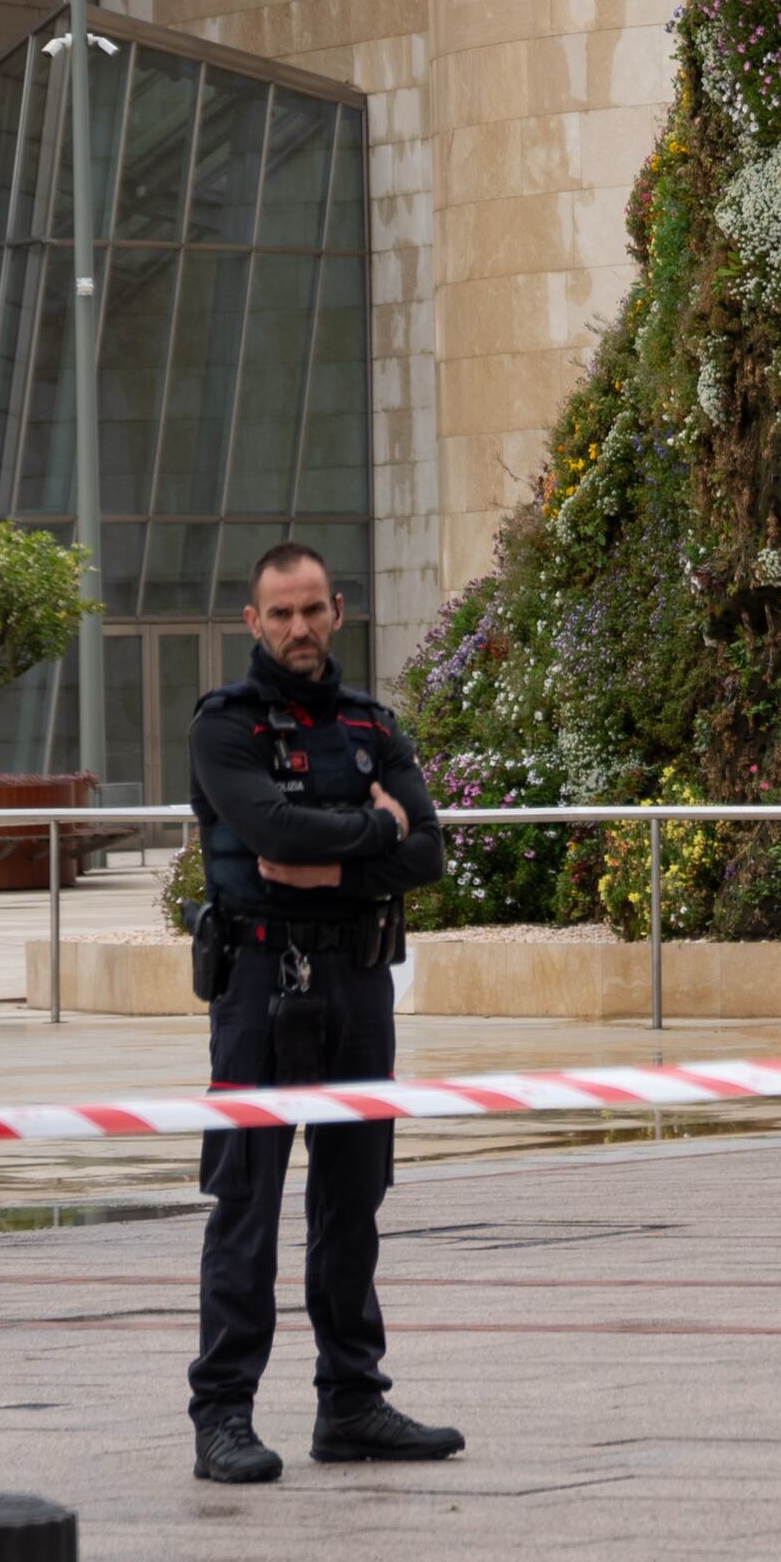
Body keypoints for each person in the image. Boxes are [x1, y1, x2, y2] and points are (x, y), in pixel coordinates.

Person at [186, 540, 461, 1486]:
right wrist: (375, 826)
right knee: (247, 1204)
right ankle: (222, 1414)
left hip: (355, 982)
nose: (298, 629)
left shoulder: (370, 724)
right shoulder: (224, 727)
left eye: (312, 610)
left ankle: (351, 1402)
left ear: (337, 611)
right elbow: (268, 832)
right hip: (258, 988)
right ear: (252, 623)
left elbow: (426, 852)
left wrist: (346, 855)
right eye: (280, 614)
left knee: (353, 1199)